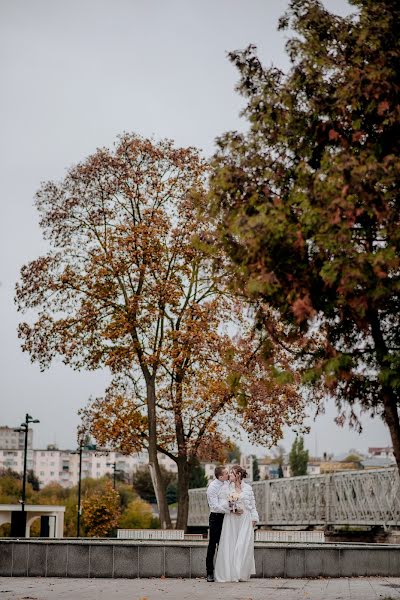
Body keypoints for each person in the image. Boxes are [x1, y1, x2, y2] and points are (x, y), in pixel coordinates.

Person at [214, 465, 259, 582]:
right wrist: (232, 509)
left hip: (245, 519)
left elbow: (253, 505)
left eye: (232, 473)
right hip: (232, 520)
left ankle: (240, 573)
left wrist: (254, 518)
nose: (229, 475)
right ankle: (232, 574)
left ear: (238, 475)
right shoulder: (227, 487)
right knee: (231, 545)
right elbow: (223, 503)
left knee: (243, 545)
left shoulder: (248, 488)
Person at [205, 465, 230, 582]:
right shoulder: (212, 487)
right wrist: (229, 510)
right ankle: (209, 572)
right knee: (213, 545)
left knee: (224, 544)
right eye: (226, 473)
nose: (228, 474)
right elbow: (214, 506)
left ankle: (223, 572)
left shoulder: (226, 483)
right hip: (216, 518)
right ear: (220, 476)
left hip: (226, 517)